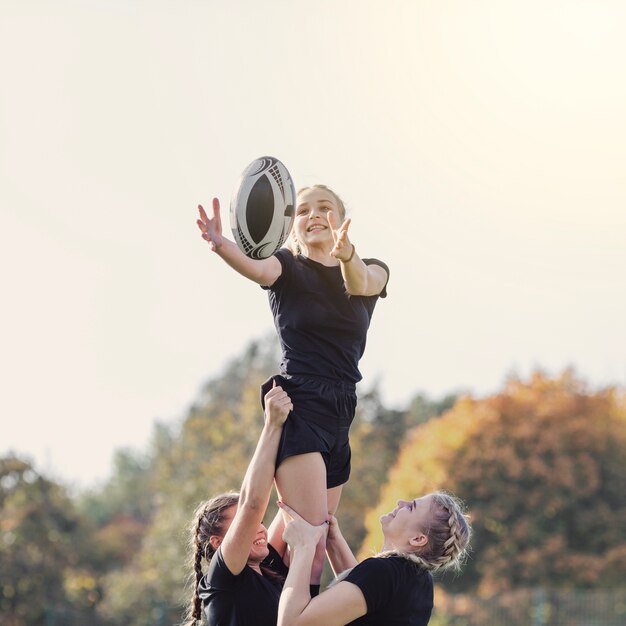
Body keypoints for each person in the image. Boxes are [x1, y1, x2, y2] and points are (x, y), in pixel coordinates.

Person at [196, 184, 390, 587]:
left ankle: (249, 599)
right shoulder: (287, 267)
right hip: (298, 404)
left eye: (325, 208)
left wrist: (346, 254)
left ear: (341, 218)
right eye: (303, 211)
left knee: (293, 546)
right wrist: (221, 245)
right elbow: (258, 268)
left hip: (341, 411)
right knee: (312, 542)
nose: (314, 215)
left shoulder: (372, 268)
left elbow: (360, 284)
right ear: (291, 227)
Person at [183, 382, 293, 626]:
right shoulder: (223, 579)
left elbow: (292, 506)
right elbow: (252, 504)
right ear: (219, 543)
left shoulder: (269, 570)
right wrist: (272, 425)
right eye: (246, 525)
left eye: (260, 523)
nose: (260, 528)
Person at [276, 492, 472, 626]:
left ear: (418, 539)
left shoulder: (384, 573)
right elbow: (368, 600)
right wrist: (334, 541)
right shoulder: (420, 581)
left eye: (411, 507)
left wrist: (303, 546)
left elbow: (292, 623)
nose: (400, 503)